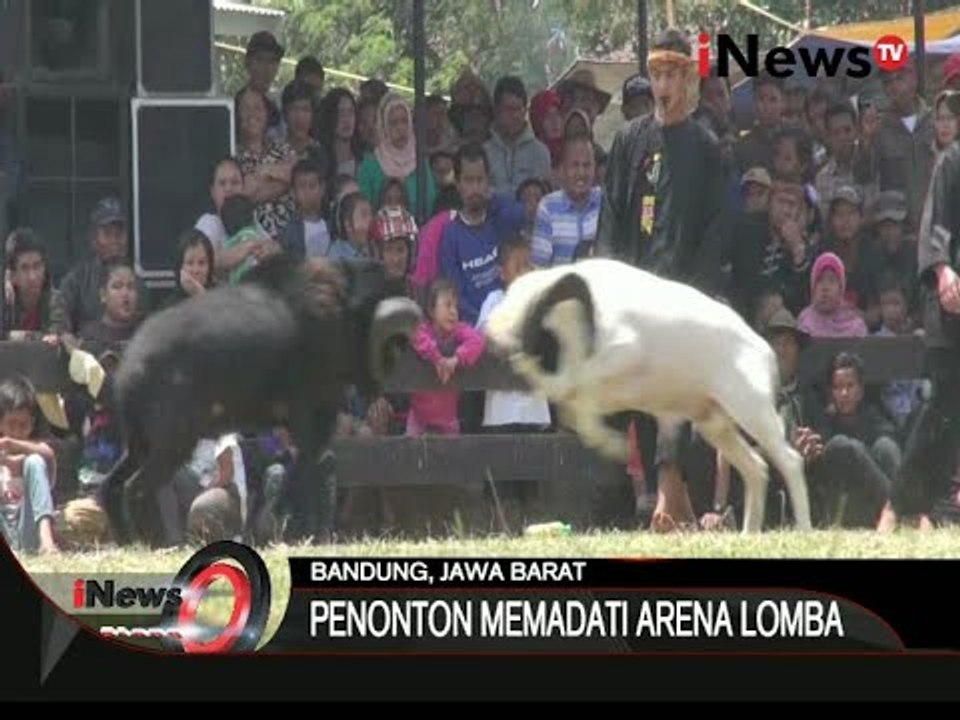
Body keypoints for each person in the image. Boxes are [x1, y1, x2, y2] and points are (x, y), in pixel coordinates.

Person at [596, 28, 728, 532]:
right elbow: (612, 217)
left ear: (688, 79)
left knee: (677, 397)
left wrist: (697, 293)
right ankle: (673, 505)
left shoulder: (707, 145)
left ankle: (668, 499)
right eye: (657, 73)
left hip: (685, 295)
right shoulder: (630, 141)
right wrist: (610, 285)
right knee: (646, 400)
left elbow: (716, 228)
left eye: (673, 72)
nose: (664, 83)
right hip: (636, 292)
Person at [885, 134, 960, 530]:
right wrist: (944, 269)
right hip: (952, 305)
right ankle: (897, 507)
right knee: (941, 409)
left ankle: (928, 511)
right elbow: (936, 228)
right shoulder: (952, 161)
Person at [0, 376, 58, 555]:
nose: (16, 431)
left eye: (23, 425)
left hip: (28, 532)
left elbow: (48, 454)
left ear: (32, 424)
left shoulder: (36, 453)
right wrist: (7, 462)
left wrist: (15, 446)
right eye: (11, 424)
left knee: (34, 461)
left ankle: (46, 542)